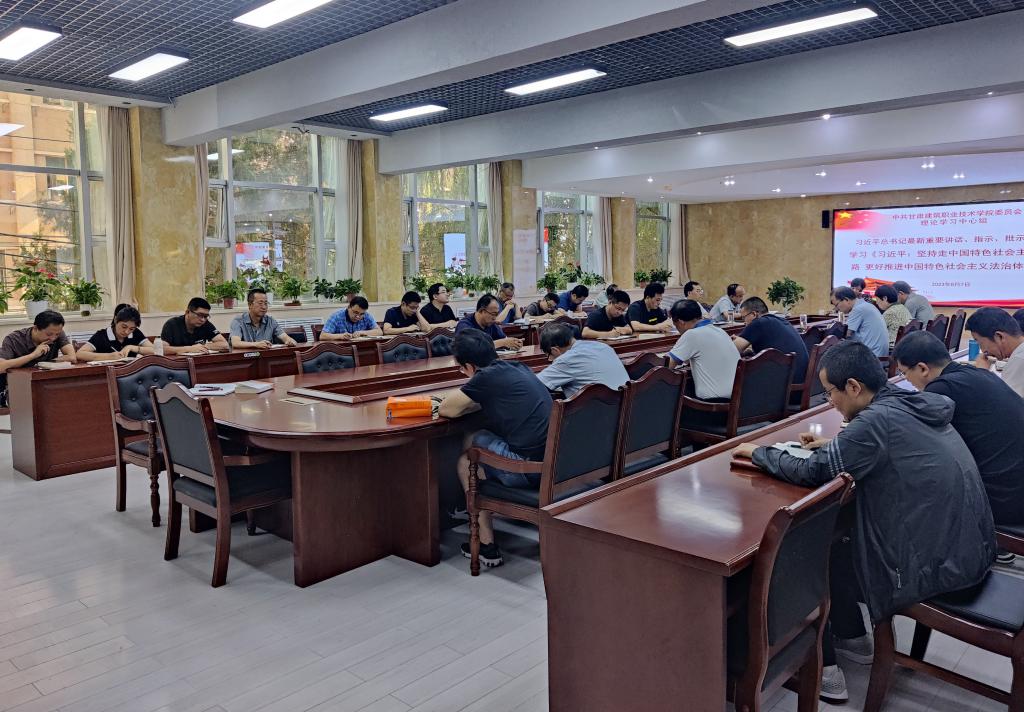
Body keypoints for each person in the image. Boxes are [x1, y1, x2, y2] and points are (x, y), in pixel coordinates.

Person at [733, 340, 995, 702]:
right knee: (839, 540)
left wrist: (760, 453)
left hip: (940, 569)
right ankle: (853, 636)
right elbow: (875, 450)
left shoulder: (876, 421)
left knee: (813, 550)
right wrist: (834, 448)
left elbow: (814, 472)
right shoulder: (904, 403)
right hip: (969, 550)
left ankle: (823, 662)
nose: (829, 402)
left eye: (830, 392)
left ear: (854, 387)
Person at [439, 329, 553, 568]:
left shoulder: (485, 377)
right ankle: (471, 505)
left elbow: (447, 409)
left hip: (530, 472)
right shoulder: (517, 367)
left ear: (468, 366)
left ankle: (485, 542)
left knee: (467, 458)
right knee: (476, 439)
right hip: (555, 465)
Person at [894, 330, 1024, 531]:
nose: (906, 379)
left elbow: (911, 443)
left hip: (1004, 502)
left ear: (922, 369)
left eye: (904, 373)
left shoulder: (941, 391)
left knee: (910, 488)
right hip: (1016, 489)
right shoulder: (976, 374)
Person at [667, 299, 739, 400]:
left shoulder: (692, 334)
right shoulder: (720, 331)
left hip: (713, 402)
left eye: (676, 326)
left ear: (681, 322)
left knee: (675, 399)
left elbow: (667, 366)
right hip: (737, 398)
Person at [537, 322, 629, 397]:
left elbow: (534, 385)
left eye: (548, 355)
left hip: (596, 411)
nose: (550, 360)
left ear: (555, 350)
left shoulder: (567, 359)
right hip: (627, 406)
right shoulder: (603, 346)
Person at [733, 296, 808, 383]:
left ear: (753, 314)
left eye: (744, 317)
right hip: (799, 380)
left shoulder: (758, 323)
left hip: (784, 386)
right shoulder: (780, 320)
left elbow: (732, 350)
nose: (744, 322)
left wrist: (729, 341)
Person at [966, 307, 1024, 398]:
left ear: (999, 337)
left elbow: (1003, 403)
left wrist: (983, 374)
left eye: (980, 343)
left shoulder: (1019, 360)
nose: (983, 351)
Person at [0, 309, 76, 373]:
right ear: (36, 328)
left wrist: (44, 364)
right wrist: (33, 355)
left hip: (45, 379)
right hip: (18, 381)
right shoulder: (14, 339)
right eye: (49, 334)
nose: (53, 338)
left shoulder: (56, 333)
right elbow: (1, 366)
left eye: (57, 334)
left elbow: (72, 357)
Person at [77, 304, 154, 361]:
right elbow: (80, 354)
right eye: (124, 327)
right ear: (115, 320)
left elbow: (155, 350)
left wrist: (131, 347)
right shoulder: (102, 335)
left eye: (131, 329)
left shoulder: (136, 333)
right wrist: (109, 356)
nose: (127, 332)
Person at [229, 289, 298, 349]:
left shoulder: (270, 321)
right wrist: (256, 344)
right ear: (250, 305)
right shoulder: (238, 321)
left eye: (266, 303)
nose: (264, 307)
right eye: (260, 303)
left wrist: (289, 340)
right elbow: (235, 343)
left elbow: (284, 337)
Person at [833, 286, 889, 357]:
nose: (836, 309)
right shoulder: (866, 305)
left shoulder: (858, 309)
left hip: (872, 357)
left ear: (846, 300)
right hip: (879, 354)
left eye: (836, 305)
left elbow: (846, 334)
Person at [160, 298, 229, 354]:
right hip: (176, 363)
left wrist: (202, 347)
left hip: (198, 362)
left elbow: (225, 345)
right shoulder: (172, 324)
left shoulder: (205, 324)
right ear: (187, 312)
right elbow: (162, 349)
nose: (203, 319)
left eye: (206, 316)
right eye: (199, 315)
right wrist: (189, 349)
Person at [455, 294, 523, 350]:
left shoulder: (491, 324)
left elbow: (504, 340)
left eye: (497, 314)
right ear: (482, 311)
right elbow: (472, 347)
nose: (495, 318)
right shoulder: (464, 325)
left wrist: (514, 343)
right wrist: (503, 342)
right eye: (493, 314)